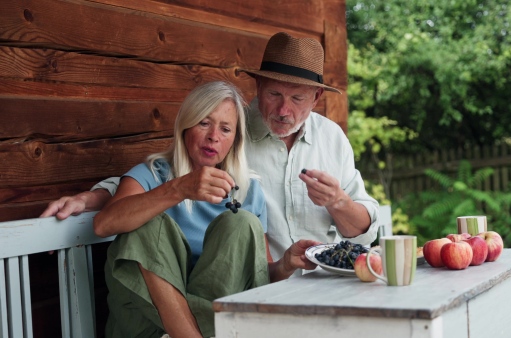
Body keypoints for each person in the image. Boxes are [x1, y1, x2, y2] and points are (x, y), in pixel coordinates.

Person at [41, 32, 379, 273]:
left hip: (325, 277)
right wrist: (94, 196)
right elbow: (169, 171)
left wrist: (338, 202)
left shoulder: (332, 138)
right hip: (256, 285)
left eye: (298, 99)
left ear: (317, 97)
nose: (283, 109)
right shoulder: (231, 127)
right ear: (258, 86)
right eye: (274, 93)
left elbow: (364, 227)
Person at [93, 81, 318, 338]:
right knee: (147, 222)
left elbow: (258, 275)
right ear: (186, 125)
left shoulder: (247, 189)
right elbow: (104, 224)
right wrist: (179, 189)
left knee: (240, 222)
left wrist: (286, 264)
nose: (214, 136)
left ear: (235, 140)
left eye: (225, 129)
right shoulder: (152, 174)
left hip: (214, 325)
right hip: (151, 325)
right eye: (204, 123)